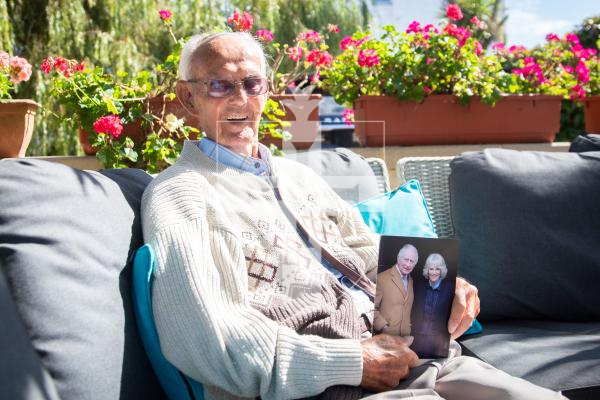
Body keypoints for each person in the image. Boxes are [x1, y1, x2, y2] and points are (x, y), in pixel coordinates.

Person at [140, 31, 565, 400]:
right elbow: (205, 337)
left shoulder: (299, 178)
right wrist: (353, 362)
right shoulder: (181, 193)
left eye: (252, 83)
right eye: (219, 85)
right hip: (324, 386)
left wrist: (444, 293)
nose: (240, 99)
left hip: (416, 357)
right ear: (187, 99)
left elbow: (370, 254)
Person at [411, 253, 455, 359]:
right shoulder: (418, 286)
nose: (434, 272)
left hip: (438, 341)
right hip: (418, 338)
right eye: (431, 269)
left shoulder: (450, 288)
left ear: (442, 271)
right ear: (427, 270)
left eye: (437, 269)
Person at [373, 244, 418, 336]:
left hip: (404, 339)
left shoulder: (411, 281)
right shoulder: (382, 278)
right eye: (406, 259)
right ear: (398, 258)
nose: (408, 264)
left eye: (412, 261)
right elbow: (371, 308)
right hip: (384, 337)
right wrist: (383, 326)